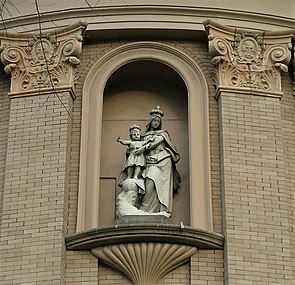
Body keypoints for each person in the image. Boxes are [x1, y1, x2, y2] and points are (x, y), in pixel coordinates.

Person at [135, 106, 181, 215]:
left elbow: (153, 144)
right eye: (154, 120)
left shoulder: (162, 134)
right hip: (149, 162)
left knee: (157, 183)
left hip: (163, 161)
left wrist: (143, 148)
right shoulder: (144, 136)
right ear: (150, 121)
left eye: (158, 121)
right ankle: (145, 210)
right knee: (148, 184)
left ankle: (160, 209)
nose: (156, 123)